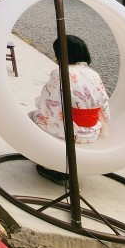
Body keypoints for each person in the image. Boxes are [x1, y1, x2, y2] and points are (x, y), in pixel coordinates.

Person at [28, 35, 110, 182]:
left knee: (31, 117)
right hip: (91, 130)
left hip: (70, 130)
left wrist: (39, 109)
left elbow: (48, 103)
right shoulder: (94, 74)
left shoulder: (61, 73)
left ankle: (49, 164)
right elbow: (104, 103)